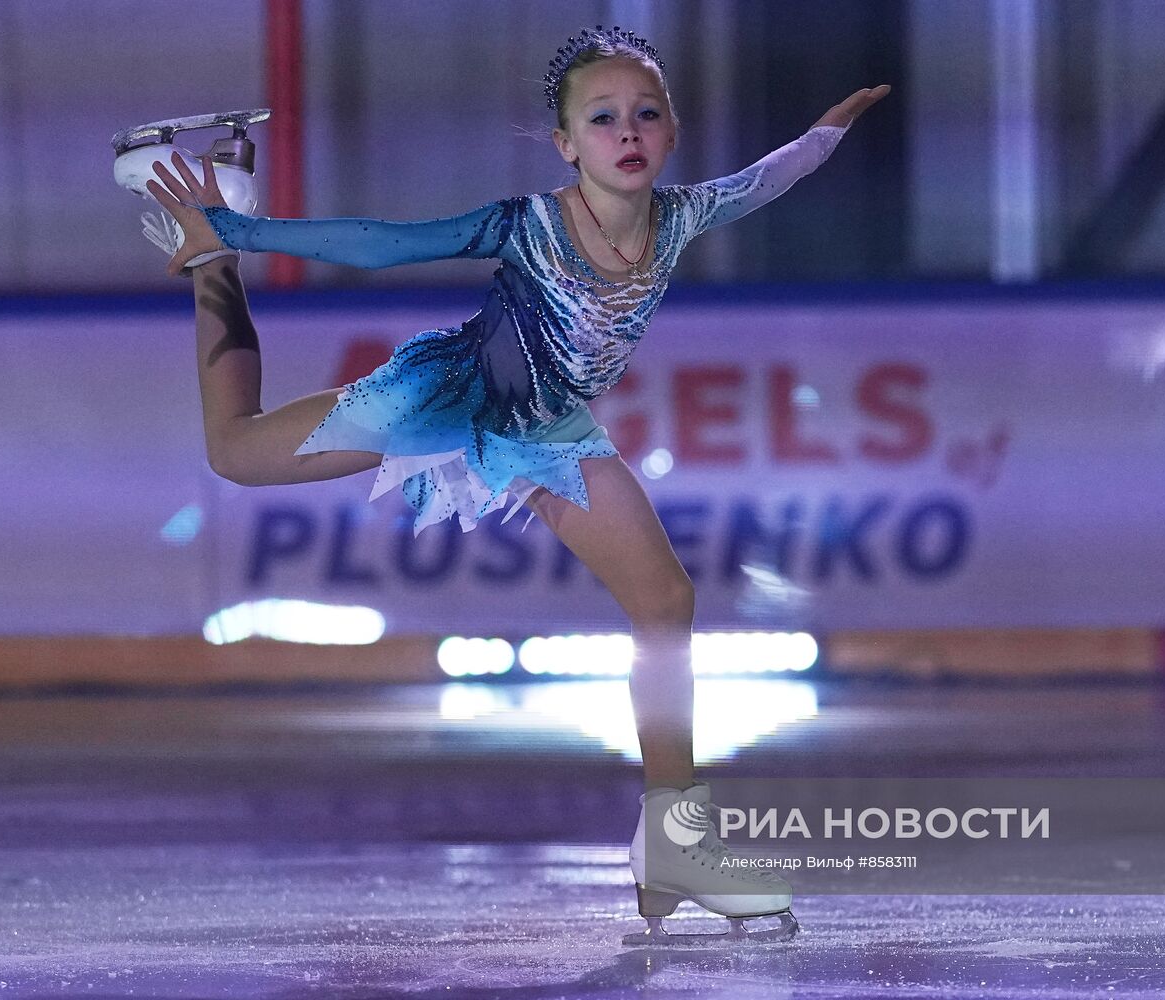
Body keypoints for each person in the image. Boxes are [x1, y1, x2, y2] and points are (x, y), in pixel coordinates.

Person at [145, 24, 889, 944]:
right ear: (568, 145)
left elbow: (764, 180)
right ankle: (208, 265)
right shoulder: (527, 224)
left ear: (671, 133)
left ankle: (676, 843)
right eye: (603, 117)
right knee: (236, 452)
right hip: (450, 397)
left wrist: (826, 134)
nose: (628, 130)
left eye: (645, 114)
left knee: (665, 599)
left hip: (551, 432)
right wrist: (241, 234)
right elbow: (386, 244)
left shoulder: (685, 216)